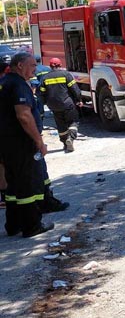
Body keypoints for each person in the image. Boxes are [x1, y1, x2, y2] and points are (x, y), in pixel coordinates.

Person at [0, 52, 54, 237]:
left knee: (13, 186)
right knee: (26, 185)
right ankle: (32, 226)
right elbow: (23, 115)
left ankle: (13, 224)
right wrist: (39, 141)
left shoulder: (5, 82)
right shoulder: (18, 85)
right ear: (20, 65)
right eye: (32, 65)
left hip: (7, 143)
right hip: (21, 143)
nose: (35, 69)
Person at [39, 58, 82, 153]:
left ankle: (65, 143)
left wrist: (45, 103)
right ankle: (71, 138)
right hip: (67, 104)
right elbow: (75, 89)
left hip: (54, 106)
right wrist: (79, 99)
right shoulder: (66, 74)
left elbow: (41, 93)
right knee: (73, 121)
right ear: (60, 65)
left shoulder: (45, 78)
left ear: (50, 66)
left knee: (61, 125)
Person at [31, 55, 51, 120]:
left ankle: (40, 118)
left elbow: (34, 82)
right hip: (49, 89)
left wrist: (33, 93)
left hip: (39, 91)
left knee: (40, 105)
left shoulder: (34, 70)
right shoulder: (47, 68)